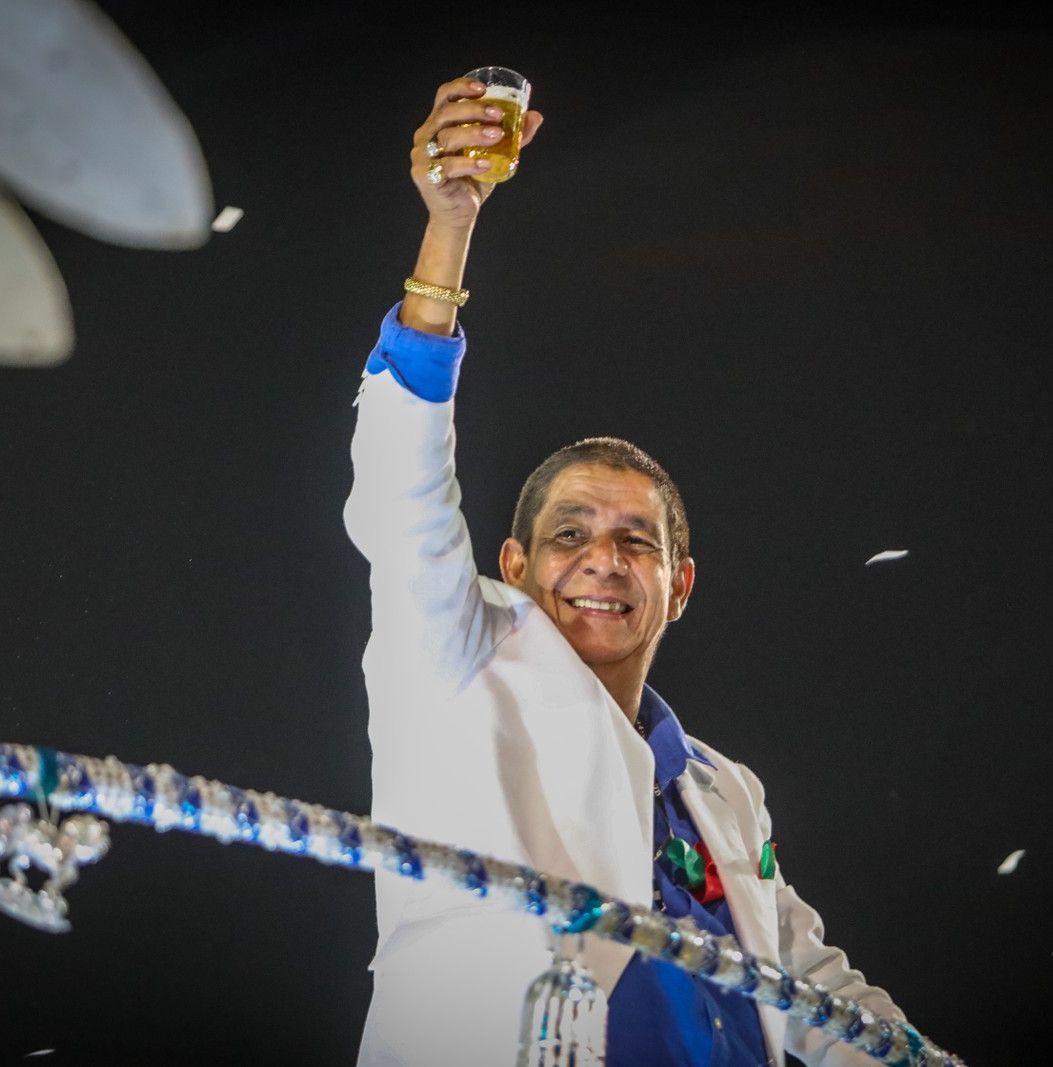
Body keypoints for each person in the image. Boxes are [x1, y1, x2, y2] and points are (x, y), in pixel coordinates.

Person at [344, 74, 904, 1067]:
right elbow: (399, 494)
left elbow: (810, 986)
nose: (604, 558)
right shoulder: (457, 663)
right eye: (569, 535)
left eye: (637, 541)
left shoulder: (722, 789)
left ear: (678, 585)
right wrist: (446, 238)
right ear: (511, 565)